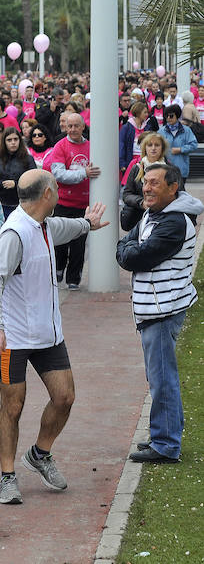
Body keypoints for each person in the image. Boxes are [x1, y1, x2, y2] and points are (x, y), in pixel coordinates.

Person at [0, 169, 108, 506]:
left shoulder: (44, 225)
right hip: (14, 338)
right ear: (49, 194)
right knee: (13, 405)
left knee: (64, 397)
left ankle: (40, 454)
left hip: (49, 335)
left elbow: (64, 229)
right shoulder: (14, 233)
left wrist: (88, 224)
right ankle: (8, 476)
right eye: (57, 189)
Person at [116, 163, 203, 464]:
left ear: (173, 188)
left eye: (154, 183)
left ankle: (166, 444)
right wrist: (126, 250)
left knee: (162, 377)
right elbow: (128, 241)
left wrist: (126, 252)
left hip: (163, 309)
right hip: (154, 307)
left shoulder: (174, 222)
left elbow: (136, 256)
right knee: (160, 376)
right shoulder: (154, 214)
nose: (147, 188)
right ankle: (165, 434)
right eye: (145, 182)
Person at [47, 113, 101, 291]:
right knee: (60, 243)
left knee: (78, 245)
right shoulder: (60, 146)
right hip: (63, 202)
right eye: (69, 126)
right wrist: (83, 173)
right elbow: (59, 174)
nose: (72, 129)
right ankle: (59, 268)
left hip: (83, 204)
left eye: (76, 126)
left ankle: (74, 279)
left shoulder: (91, 146)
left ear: (83, 126)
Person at [121, 133, 171, 231]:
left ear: (162, 148)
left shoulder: (170, 169)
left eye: (157, 145)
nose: (153, 148)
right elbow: (126, 194)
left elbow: (178, 194)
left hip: (163, 219)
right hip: (139, 219)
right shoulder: (136, 168)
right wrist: (141, 202)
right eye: (150, 145)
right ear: (145, 148)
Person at [0, 127, 36, 217]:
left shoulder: (28, 159)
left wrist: (16, 184)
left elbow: (33, 183)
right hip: (0, 205)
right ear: (4, 142)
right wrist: (2, 183)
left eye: (15, 139)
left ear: (20, 140)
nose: (13, 142)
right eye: (9, 140)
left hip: (22, 206)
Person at [157, 104, 197, 180]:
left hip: (181, 170)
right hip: (165, 170)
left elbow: (194, 145)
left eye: (171, 116)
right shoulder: (161, 131)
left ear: (177, 116)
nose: (168, 118)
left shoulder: (186, 130)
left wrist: (181, 149)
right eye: (166, 116)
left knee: (180, 191)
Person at [119, 101, 156, 175]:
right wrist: (122, 163)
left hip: (145, 161)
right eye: (145, 112)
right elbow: (121, 145)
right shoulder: (127, 127)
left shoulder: (147, 127)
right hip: (131, 161)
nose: (147, 114)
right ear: (138, 113)